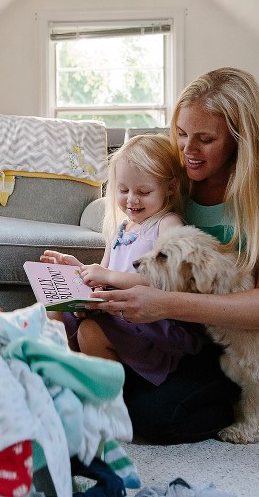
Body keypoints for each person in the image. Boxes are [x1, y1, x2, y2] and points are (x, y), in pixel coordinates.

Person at [88, 67, 259, 444]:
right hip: (187, 332)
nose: (187, 150)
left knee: (152, 420)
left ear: (239, 138)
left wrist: (166, 304)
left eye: (205, 139)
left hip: (252, 338)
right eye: (181, 134)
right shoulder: (179, 179)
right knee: (110, 383)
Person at [41, 134, 200, 387]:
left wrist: (109, 278)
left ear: (170, 187)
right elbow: (105, 272)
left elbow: (169, 281)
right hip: (115, 312)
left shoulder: (167, 224)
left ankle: (110, 401)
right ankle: (69, 379)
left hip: (149, 323)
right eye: (123, 190)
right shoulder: (122, 228)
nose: (131, 199)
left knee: (89, 331)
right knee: (54, 310)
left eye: (144, 191)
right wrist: (80, 271)